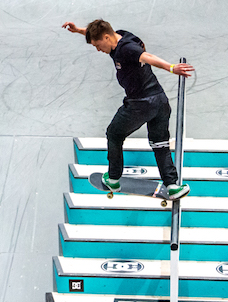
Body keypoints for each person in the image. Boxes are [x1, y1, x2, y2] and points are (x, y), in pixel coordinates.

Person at [60, 19, 195, 199]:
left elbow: (147, 57)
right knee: (159, 143)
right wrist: (78, 31)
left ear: (107, 37)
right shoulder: (118, 36)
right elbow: (98, 33)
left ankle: (114, 179)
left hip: (140, 103)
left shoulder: (126, 49)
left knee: (114, 134)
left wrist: (171, 67)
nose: (98, 49)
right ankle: (171, 185)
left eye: (98, 45)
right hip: (159, 100)